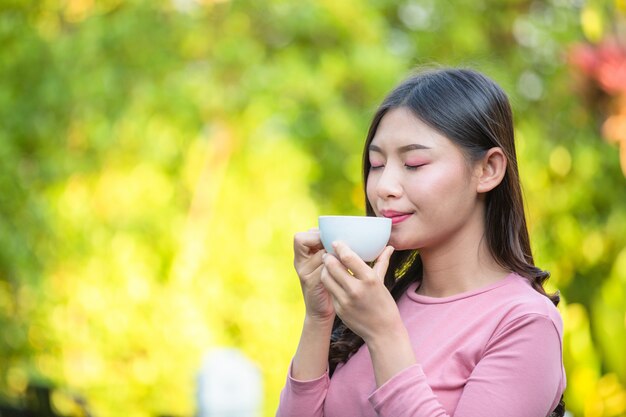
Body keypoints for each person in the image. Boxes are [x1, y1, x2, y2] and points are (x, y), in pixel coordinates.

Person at [276, 67, 566, 417]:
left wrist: (385, 336)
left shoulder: (524, 321)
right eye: (376, 164)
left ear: (488, 170)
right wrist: (319, 317)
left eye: (414, 163)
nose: (384, 186)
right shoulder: (381, 302)